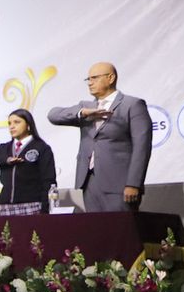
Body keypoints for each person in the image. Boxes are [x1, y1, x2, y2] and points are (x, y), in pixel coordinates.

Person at [47, 62, 151, 212]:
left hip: (118, 186)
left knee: (117, 231)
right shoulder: (86, 106)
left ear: (110, 78)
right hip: (86, 183)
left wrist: (134, 183)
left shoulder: (132, 105)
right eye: (88, 79)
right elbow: (53, 115)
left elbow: (142, 147)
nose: (90, 83)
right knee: (87, 231)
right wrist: (83, 113)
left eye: (94, 78)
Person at [0, 109, 58, 216]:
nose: (12, 126)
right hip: (6, 206)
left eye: (17, 122)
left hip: (33, 205)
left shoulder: (41, 148)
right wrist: (6, 160)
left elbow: (49, 181)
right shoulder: (5, 148)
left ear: (28, 125)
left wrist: (46, 209)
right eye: (9, 123)